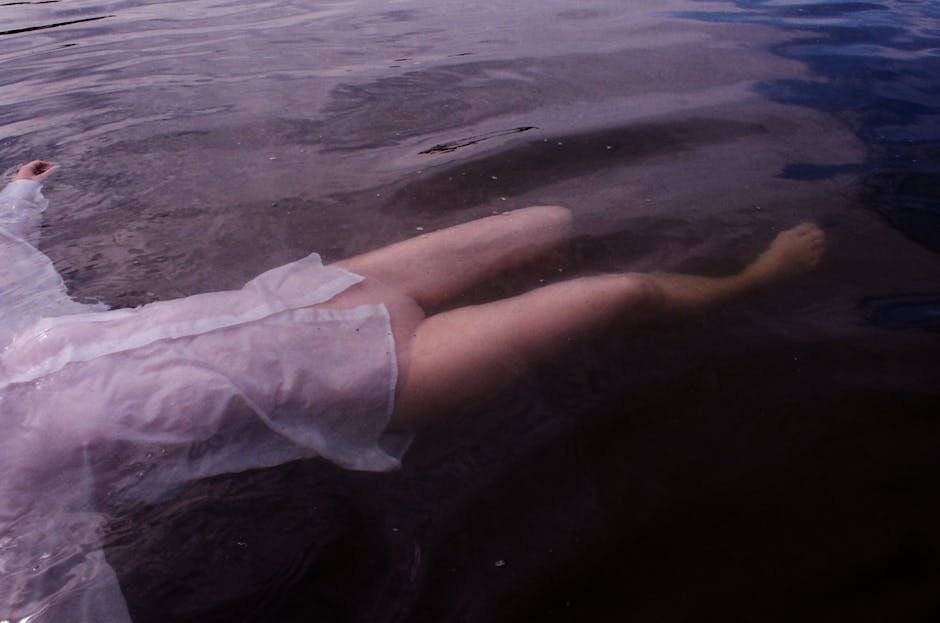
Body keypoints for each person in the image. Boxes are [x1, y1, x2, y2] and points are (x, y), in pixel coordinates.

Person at [0, 160, 824, 621]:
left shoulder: (13, 345)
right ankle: (750, 281)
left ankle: (561, 315)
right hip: (385, 372)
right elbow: (44, 602)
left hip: (321, 294)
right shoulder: (12, 502)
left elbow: (16, 277)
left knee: (549, 223)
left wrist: (19, 194)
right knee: (623, 296)